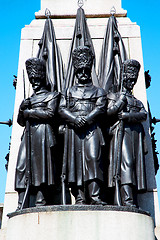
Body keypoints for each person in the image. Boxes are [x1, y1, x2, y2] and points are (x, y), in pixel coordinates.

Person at [59, 46, 107, 205]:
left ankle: (95, 197)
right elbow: (61, 108)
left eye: (86, 70)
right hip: (74, 130)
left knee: (94, 159)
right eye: (80, 71)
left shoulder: (98, 91)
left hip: (92, 129)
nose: (84, 74)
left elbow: (101, 108)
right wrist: (74, 119)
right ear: (75, 71)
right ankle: (79, 197)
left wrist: (86, 119)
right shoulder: (68, 91)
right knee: (76, 163)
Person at [15, 57, 60, 209]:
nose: (34, 82)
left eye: (36, 79)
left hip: (43, 133)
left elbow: (50, 114)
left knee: (41, 167)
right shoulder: (29, 99)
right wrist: (22, 109)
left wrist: (30, 112)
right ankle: (21, 202)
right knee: (21, 166)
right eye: (32, 79)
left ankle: (41, 199)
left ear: (41, 78)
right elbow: (20, 121)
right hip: (28, 135)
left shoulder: (52, 96)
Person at [107, 59, 147, 207]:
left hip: (135, 135)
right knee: (126, 164)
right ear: (123, 78)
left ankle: (132, 198)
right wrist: (120, 103)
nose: (131, 83)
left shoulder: (137, 101)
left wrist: (127, 116)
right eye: (128, 79)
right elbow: (108, 113)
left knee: (135, 166)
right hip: (121, 134)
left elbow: (144, 115)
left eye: (133, 80)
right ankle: (126, 199)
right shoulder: (114, 97)